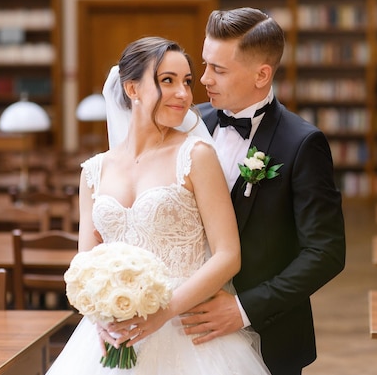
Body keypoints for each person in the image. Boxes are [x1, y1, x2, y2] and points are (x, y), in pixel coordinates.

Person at [46, 36, 271, 374]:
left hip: (187, 330)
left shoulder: (196, 155)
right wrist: (100, 319)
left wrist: (163, 313)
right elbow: (86, 263)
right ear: (132, 89)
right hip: (114, 334)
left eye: (187, 82)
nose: (183, 93)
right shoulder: (94, 171)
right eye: (168, 81)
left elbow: (228, 255)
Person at [181, 7, 347, 375]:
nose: (204, 78)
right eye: (205, 64)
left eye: (218, 69)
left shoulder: (303, 143)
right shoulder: (188, 123)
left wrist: (243, 309)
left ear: (262, 74)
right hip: (182, 330)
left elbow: (326, 252)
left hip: (268, 334)